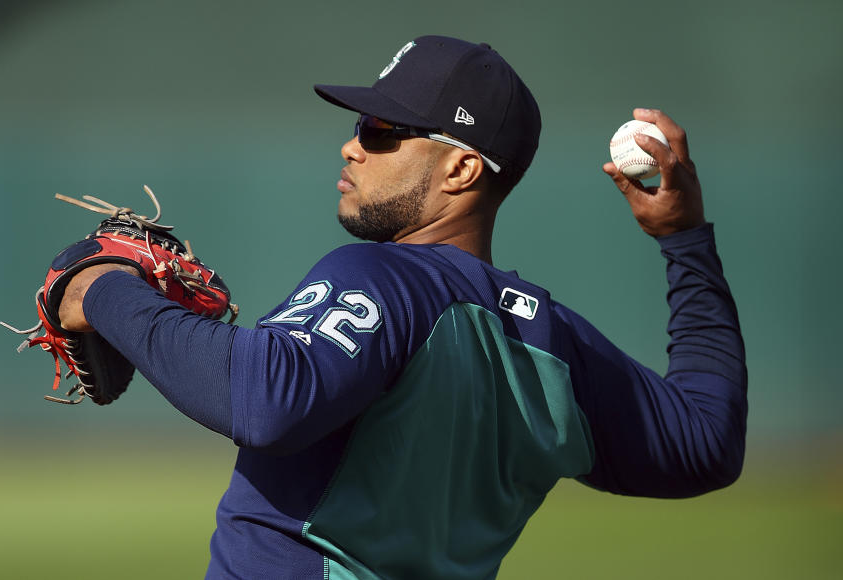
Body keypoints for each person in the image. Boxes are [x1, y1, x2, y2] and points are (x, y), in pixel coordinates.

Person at [57, 35, 747, 579]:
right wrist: (684, 243)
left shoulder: (385, 278)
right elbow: (704, 445)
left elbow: (266, 398)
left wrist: (103, 290)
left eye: (384, 129)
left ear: (461, 169)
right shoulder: (557, 349)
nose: (352, 143)